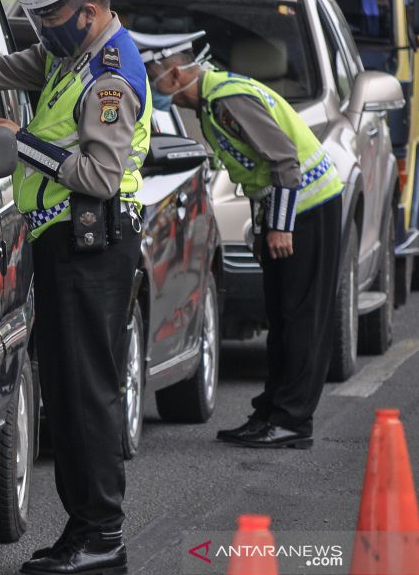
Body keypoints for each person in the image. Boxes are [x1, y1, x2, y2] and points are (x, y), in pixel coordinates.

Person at [0, 0, 150, 575]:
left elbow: (98, 174)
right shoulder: (72, 54)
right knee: (64, 392)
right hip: (63, 247)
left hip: (94, 249)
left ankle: (102, 536)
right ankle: (82, 530)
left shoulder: (108, 74)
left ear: (88, 10)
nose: (42, 32)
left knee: (87, 394)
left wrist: (21, 143)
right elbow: (13, 65)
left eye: (50, 20)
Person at [136, 30, 344, 451]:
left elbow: (284, 161)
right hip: (286, 209)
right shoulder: (213, 102)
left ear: (175, 74)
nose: (149, 85)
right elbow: (254, 175)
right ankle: (270, 411)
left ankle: (292, 422)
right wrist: (264, 228)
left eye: (151, 74)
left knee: (300, 316)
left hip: (309, 207)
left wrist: (281, 227)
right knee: (281, 317)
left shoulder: (227, 99)